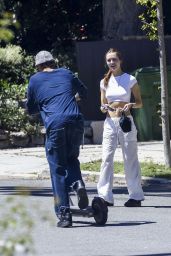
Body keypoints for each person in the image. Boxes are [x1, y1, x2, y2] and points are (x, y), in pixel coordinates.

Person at [26, 50, 88, 228]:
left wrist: (45, 103)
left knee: (58, 169)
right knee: (71, 158)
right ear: (54, 62)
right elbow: (84, 92)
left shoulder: (35, 80)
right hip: (76, 121)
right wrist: (72, 98)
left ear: (38, 66)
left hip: (55, 124)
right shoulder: (67, 73)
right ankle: (77, 183)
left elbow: (30, 108)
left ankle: (64, 214)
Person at [97, 48, 144, 207]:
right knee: (106, 159)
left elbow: (139, 102)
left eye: (114, 60)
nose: (111, 63)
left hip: (126, 122)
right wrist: (105, 108)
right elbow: (102, 106)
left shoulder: (130, 79)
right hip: (110, 123)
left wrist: (130, 104)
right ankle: (105, 197)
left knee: (130, 158)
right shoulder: (104, 82)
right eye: (109, 60)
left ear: (120, 61)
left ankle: (135, 196)